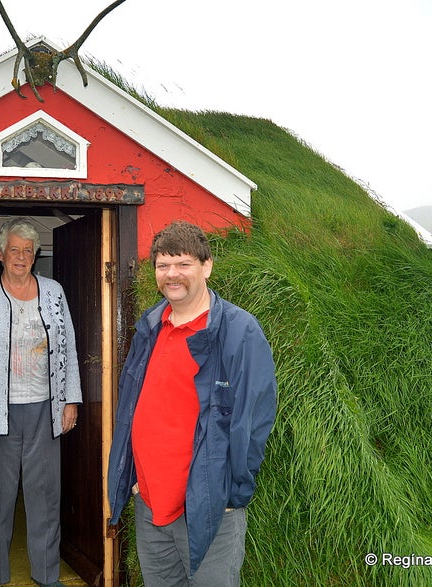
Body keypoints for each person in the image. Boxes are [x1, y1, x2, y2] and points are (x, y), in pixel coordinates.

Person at [106, 220, 277, 586]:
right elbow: (133, 409)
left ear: (207, 266)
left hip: (208, 505)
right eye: (163, 265)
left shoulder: (239, 331)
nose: (172, 274)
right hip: (151, 504)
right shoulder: (150, 328)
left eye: (183, 264)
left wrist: (234, 493)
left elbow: (255, 417)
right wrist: (137, 481)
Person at [0, 217, 82, 587]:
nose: (21, 256)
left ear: (35, 255)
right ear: (0, 253)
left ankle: (47, 575)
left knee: (45, 498)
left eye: (28, 251)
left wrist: (70, 401)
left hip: (44, 408)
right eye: (14, 249)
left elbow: (68, 348)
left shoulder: (53, 291)